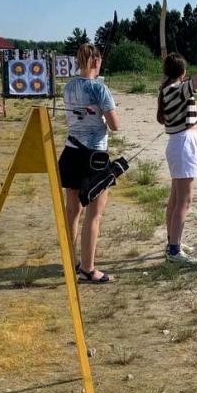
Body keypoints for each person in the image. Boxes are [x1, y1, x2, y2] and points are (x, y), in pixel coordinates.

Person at [58, 44, 120, 283]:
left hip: (72, 151)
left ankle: (69, 260)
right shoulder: (100, 89)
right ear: (95, 61)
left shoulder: (69, 86)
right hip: (94, 156)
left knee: (72, 211)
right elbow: (115, 125)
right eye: (99, 60)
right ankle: (87, 268)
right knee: (94, 214)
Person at [157, 53, 197, 264]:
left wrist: (179, 78)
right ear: (182, 72)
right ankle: (174, 251)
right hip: (184, 144)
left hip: (179, 143)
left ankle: (172, 242)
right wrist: (184, 81)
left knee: (175, 199)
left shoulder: (167, 89)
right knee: (184, 200)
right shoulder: (177, 89)